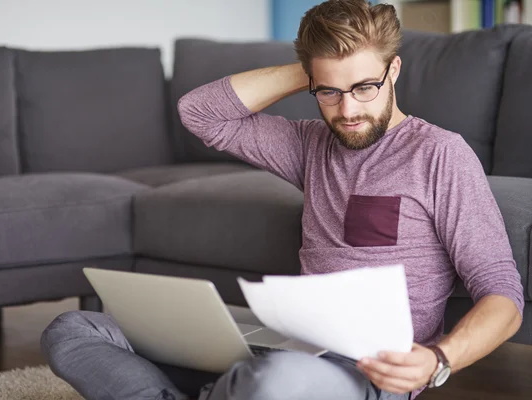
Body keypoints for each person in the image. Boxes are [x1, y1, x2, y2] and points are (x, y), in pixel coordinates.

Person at [40, 1, 524, 399]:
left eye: (364, 86)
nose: (348, 109)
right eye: (329, 92)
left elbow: (502, 293)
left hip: (364, 371)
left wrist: (437, 361)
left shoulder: (440, 154)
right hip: (284, 341)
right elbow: (200, 113)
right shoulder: (308, 143)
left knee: (272, 384)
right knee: (73, 330)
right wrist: (311, 67)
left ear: (393, 69)